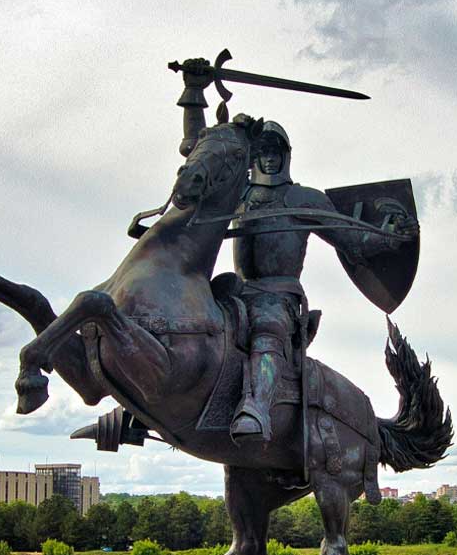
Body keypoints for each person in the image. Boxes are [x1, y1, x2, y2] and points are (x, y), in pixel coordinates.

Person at [175, 59, 417, 442]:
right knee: (182, 320)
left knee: (267, 332)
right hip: (234, 291)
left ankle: (256, 407)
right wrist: (194, 92)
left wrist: (390, 237)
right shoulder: (238, 195)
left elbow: (351, 240)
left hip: (279, 298)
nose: (268, 157)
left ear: (286, 154)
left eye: (276, 150)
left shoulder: (304, 199)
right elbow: (198, 154)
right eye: (263, 150)